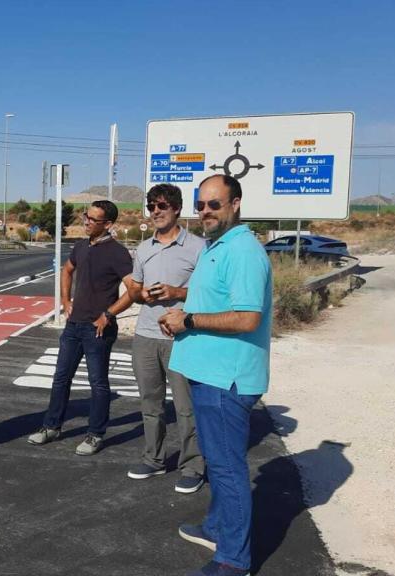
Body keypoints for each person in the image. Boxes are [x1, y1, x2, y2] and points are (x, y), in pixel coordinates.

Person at [159, 174, 273, 576]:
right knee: (220, 461)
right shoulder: (216, 246)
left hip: (226, 379)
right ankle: (215, 527)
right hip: (208, 373)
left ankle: (233, 559)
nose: (206, 212)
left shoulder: (242, 250)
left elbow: (246, 317)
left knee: (227, 469)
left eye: (215, 204)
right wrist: (178, 309)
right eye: (201, 205)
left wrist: (188, 319)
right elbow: (210, 299)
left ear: (236, 204)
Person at [118, 184, 207, 494]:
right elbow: (135, 292)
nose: (156, 211)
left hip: (182, 338)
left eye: (162, 206)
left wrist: (177, 293)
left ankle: (193, 466)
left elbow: (210, 294)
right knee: (150, 403)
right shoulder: (143, 249)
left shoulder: (199, 248)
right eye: (152, 206)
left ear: (177, 209)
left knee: (185, 407)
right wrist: (140, 294)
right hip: (145, 337)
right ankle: (154, 460)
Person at [27, 200, 133, 456]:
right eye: (86, 217)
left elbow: (134, 290)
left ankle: (95, 434)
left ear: (107, 224)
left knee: (98, 384)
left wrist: (108, 314)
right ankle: (51, 427)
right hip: (74, 326)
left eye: (92, 220)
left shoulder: (118, 253)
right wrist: (65, 301)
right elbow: (67, 270)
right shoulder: (81, 246)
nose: (86, 222)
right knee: (61, 378)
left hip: (98, 330)